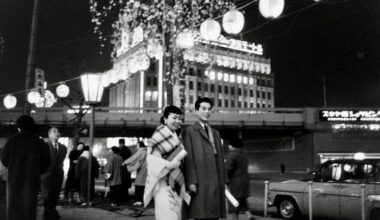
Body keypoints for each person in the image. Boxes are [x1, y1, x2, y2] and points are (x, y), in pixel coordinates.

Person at [182, 97, 228, 220]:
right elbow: (188, 158)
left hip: (215, 180)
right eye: (203, 109)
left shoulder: (215, 133)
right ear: (196, 111)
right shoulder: (190, 131)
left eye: (209, 109)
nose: (207, 112)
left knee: (214, 215)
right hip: (200, 180)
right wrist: (191, 181)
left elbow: (220, 159)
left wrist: (224, 181)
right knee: (201, 214)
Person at [0, 115, 50, 220]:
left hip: (14, 179)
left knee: (14, 208)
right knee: (29, 208)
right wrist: (36, 171)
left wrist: (13, 166)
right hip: (31, 179)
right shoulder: (39, 143)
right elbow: (46, 163)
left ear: (19, 127)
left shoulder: (12, 141)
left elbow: (4, 159)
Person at [144, 105, 189, 220]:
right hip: (162, 183)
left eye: (179, 118)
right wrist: (170, 165)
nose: (178, 121)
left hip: (177, 182)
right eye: (174, 118)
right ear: (165, 119)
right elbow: (150, 160)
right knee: (167, 215)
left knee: (176, 215)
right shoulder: (158, 136)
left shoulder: (177, 136)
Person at [41, 127, 67, 220]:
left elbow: (61, 161)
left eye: (58, 131)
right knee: (47, 196)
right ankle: (49, 214)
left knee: (55, 195)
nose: (57, 133)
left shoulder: (63, 148)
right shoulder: (44, 146)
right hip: (46, 176)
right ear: (49, 135)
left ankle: (50, 212)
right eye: (54, 131)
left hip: (58, 175)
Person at [226, 139, 250, 220]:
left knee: (234, 207)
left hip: (235, 184)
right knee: (243, 203)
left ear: (232, 146)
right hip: (245, 182)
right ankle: (250, 216)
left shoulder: (232, 154)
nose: (228, 146)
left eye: (229, 145)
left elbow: (228, 169)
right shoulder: (244, 155)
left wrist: (224, 179)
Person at [122, 141, 147, 206]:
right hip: (146, 170)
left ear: (140, 146)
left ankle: (139, 200)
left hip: (141, 171)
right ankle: (142, 200)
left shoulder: (140, 152)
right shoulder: (146, 151)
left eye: (137, 145)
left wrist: (125, 162)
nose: (136, 147)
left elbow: (133, 158)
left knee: (138, 186)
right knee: (144, 186)